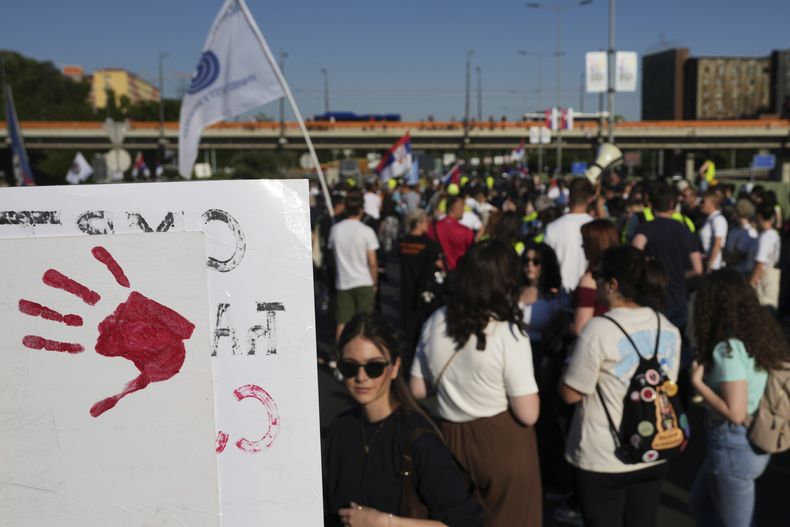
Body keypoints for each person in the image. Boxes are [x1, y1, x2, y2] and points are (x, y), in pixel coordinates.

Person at [410, 240, 542, 526]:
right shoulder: (508, 332)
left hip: (448, 434)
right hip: (501, 441)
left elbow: (418, 389)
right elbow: (528, 412)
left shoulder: (436, 320)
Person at [325, 313, 484, 527]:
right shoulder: (341, 429)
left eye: (374, 367)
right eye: (350, 367)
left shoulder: (419, 439)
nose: (361, 377)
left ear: (395, 367)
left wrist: (386, 523)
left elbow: (465, 522)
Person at [560, 246, 681, 527]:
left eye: (599, 276)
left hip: (604, 456)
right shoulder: (667, 327)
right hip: (654, 449)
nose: (595, 281)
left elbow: (570, 393)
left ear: (613, 285)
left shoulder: (598, 329)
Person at [689, 270, 789, 527]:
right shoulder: (757, 336)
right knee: (700, 503)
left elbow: (734, 411)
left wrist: (698, 383)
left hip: (734, 443)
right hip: (750, 439)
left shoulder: (727, 349)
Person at [328, 190, 380, 341]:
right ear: (361, 210)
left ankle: (339, 357)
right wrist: (374, 283)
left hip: (343, 282)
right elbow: (373, 262)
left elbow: (332, 256)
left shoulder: (335, 229)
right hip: (363, 281)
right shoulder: (367, 231)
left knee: (342, 322)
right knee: (365, 324)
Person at [399, 209, 444, 363]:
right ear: (418, 223)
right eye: (426, 221)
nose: (428, 224)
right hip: (424, 291)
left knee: (409, 328)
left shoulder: (402, 242)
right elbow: (439, 265)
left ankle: (408, 358)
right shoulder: (429, 244)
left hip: (406, 289)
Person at [545, 178, 595, 292]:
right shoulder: (596, 227)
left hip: (558, 294)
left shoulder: (552, 228)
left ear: (569, 197)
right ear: (590, 199)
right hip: (588, 292)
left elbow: (546, 265)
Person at [574, 219, 619, 334]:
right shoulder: (623, 274)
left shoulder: (590, 280)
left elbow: (581, 329)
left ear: (594, 245)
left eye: (585, 242)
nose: (582, 246)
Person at [427, 195, 474, 271]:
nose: (463, 211)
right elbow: (471, 255)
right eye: (461, 207)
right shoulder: (466, 231)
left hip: (440, 273)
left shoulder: (432, 227)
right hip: (460, 272)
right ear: (453, 209)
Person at [750, 202, 782, 309]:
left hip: (764, 278)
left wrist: (751, 283)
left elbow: (760, 262)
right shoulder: (774, 234)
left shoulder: (766, 237)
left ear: (759, 216)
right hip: (772, 275)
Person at [699, 189, 728, 272]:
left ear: (712, 203)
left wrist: (710, 264)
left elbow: (717, 243)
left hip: (714, 266)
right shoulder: (709, 219)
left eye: (703, 202)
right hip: (705, 262)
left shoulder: (718, 220)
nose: (701, 204)